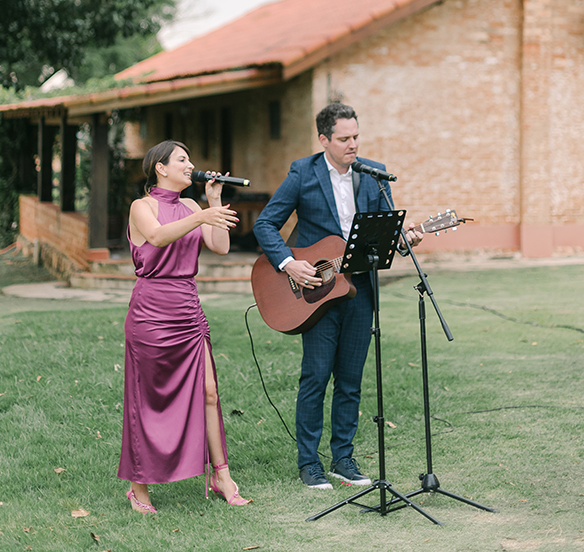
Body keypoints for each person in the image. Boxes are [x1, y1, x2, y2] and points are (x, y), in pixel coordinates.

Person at [253, 103, 423, 490]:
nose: (353, 145)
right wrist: (287, 263)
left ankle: (343, 459)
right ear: (324, 139)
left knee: (350, 380)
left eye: (356, 136)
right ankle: (309, 463)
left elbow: (384, 236)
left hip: (359, 290)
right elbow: (265, 224)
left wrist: (404, 240)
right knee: (315, 376)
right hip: (315, 294)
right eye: (344, 139)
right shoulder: (302, 173)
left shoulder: (374, 174)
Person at [117, 139, 251, 512]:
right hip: (151, 313)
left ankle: (221, 475)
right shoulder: (141, 207)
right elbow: (158, 237)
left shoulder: (193, 205)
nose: (190, 164)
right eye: (182, 159)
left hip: (188, 309)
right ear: (160, 167)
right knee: (147, 401)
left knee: (209, 391)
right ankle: (138, 487)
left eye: (190, 158)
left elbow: (220, 246)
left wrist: (212, 203)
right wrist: (200, 217)